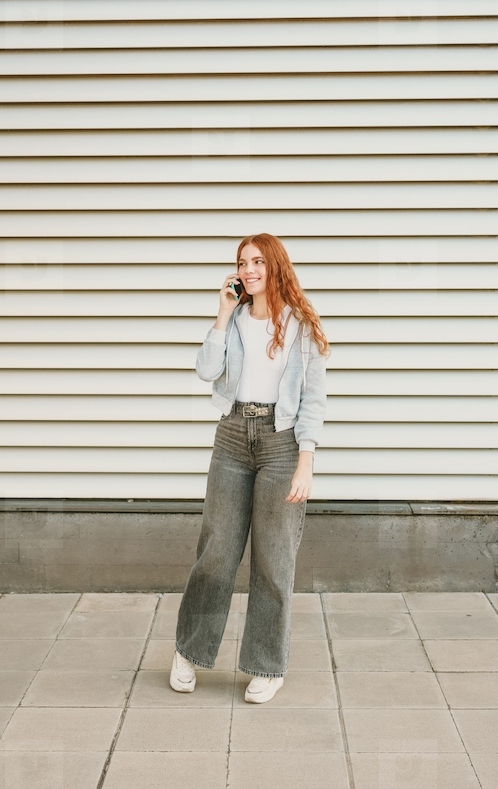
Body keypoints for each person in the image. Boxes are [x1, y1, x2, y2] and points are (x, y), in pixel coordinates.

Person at [170, 232, 330, 704]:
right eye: (243, 263)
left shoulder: (302, 325)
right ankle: (189, 652)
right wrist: (221, 312)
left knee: (273, 559)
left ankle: (266, 665)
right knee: (216, 551)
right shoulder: (235, 320)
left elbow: (313, 400)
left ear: (275, 266)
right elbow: (205, 370)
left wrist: (306, 461)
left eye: (258, 261)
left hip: (282, 445)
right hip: (233, 438)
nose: (249, 270)